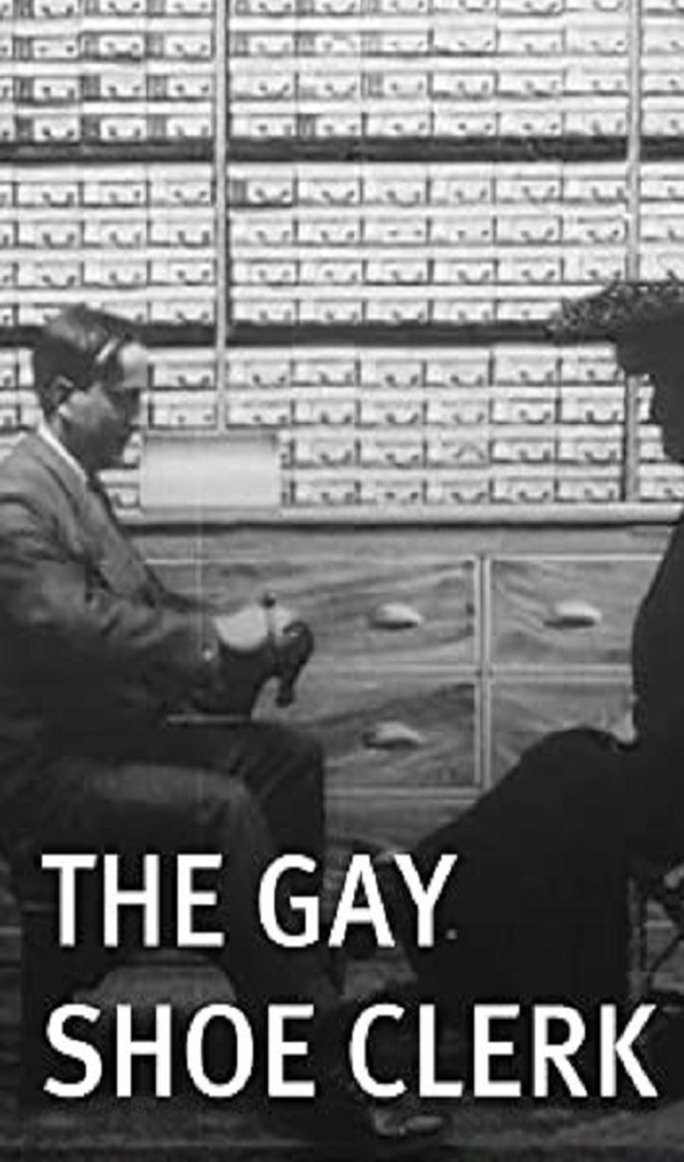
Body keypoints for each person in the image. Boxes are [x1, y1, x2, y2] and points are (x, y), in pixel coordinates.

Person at [0, 305, 441, 1147]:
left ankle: (299, 998)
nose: (139, 419)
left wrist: (250, 633)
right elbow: (76, 626)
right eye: (125, 400)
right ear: (62, 395)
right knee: (225, 810)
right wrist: (213, 640)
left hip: (101, 744)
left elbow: (147, 604)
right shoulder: (19, 497)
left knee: (287, 759)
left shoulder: (73, 484)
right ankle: (315, 1067)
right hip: (46, 778)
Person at [376, 278, 684, 1022]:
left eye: (664, 389)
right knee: (571, 767)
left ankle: (452, 934)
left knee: (577, 781)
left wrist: (650, 740)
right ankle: (511, 980)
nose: (652, 412)